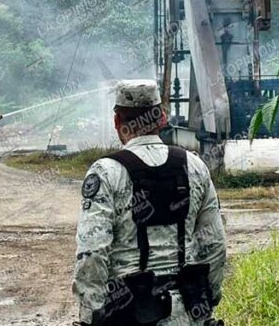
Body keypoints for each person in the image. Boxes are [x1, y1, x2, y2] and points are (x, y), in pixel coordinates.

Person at [72, 80, 227, 326]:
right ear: (162, 118)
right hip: (187, 312)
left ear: (117, 122)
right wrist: (209, 297)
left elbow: (92, 250)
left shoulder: (106, 172)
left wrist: (91, 314)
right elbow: (214, 245)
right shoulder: (195, 166)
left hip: (126, 313)